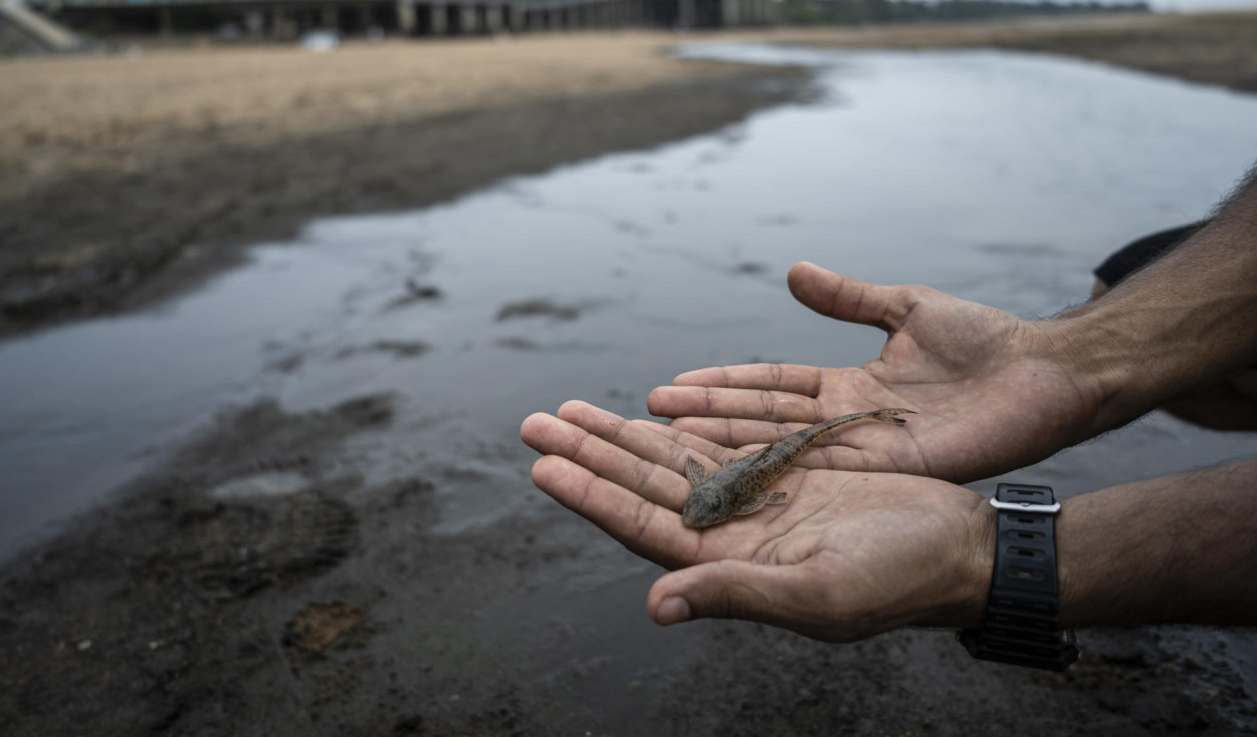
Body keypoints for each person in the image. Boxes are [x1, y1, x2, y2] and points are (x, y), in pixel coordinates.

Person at [520, 168, 1257, 644]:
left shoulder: (726, 495)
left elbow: (743, 491)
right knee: (1120, 281)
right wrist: (1069, 362)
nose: (698, 504)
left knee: (808, 438)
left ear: (713, 499)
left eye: (703, 506)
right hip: (759, 465)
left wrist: (982, 557)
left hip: (762, 464)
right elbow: (713, 478)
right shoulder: (717, 493)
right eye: (701, 504)